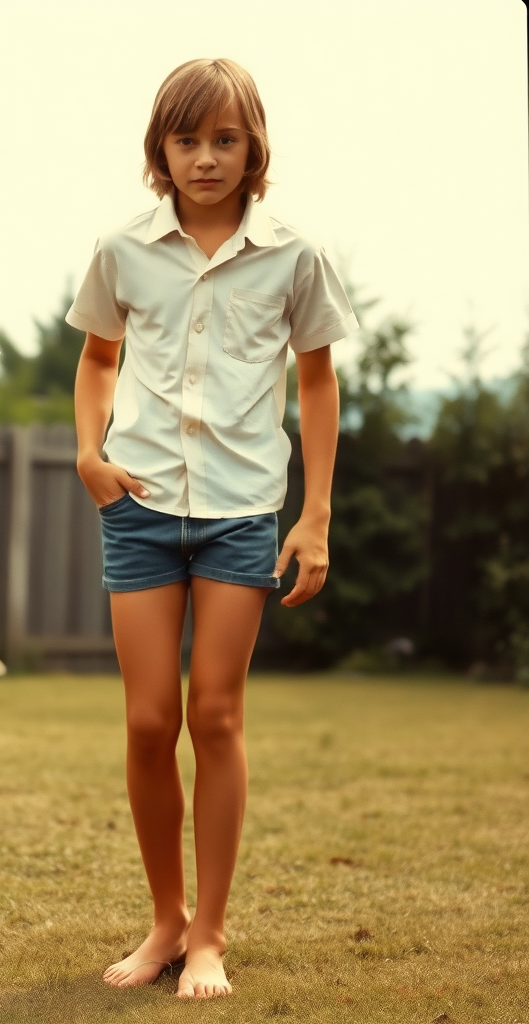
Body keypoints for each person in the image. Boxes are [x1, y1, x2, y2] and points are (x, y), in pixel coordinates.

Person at [68, 58, 356, 999]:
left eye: (224, 140)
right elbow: (98, 359)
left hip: (240, 514)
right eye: (187, 141)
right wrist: (89, 452)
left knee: (215, 715)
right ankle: (163, 923)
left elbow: (317, 380)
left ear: (253, 147)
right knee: (150, 722)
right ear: (161, 148)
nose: (204, 158)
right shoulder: (123, 249)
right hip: (140, 510)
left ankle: (210, 936)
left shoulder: (293, 255)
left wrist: (312, 517)